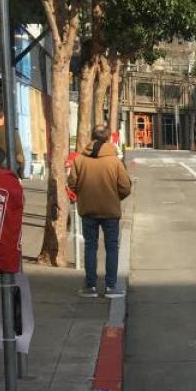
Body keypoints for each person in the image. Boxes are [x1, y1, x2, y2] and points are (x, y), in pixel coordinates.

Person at [67, 124, 132, 298]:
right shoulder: (114, 161)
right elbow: (126, 187)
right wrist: (115, 197)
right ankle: (111, 287)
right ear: (108, 139)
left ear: (92, 137)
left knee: (90, 246)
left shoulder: (80, 160)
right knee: (111, 247)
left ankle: (90, 286)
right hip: (110, 210)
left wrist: (83, 194)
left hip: (87, 209)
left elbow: (71, 183)